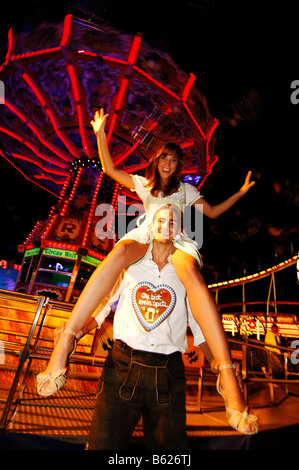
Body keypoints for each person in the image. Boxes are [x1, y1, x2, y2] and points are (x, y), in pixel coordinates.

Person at [37, 109, 255, 417]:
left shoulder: (186, 191)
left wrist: (241, 193)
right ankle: (67, 337)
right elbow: (111, 170)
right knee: (120, 254)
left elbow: (215, 212)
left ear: (179, 166)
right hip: (148, 231)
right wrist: (100, 134)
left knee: (190, 272)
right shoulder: (144, 184)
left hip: (176, 236)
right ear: (157, 161)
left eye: (174, 160)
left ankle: (227, 373)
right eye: (164, 158)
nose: (168, 164)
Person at [82, 206, 258, 449]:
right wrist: (77, 332)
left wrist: (215, 360)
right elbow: (104, 304)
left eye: (173, 221)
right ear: (150, 227)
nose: (166, 224)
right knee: (104, 443)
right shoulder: (129, 265)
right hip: (122, 365)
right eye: (161, 220)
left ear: (180, 231)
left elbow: (198, 323)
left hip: (168, 371)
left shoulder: (186, 273)